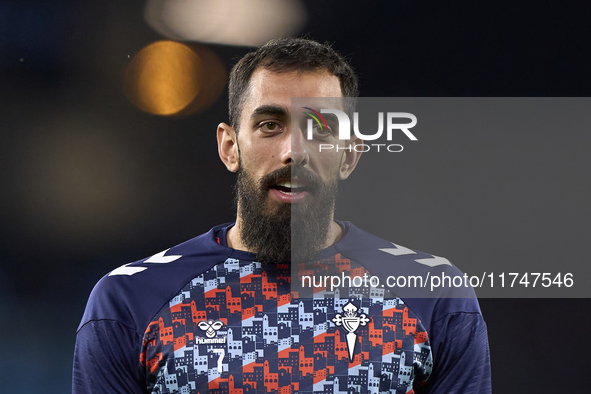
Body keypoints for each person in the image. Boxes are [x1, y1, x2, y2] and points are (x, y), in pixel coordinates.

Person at [73, 38, 491, 393]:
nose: (294, 151)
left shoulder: (435, 297)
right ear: (229, 147)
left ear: (350, 155)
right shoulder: (129, 301)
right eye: (270, 124)